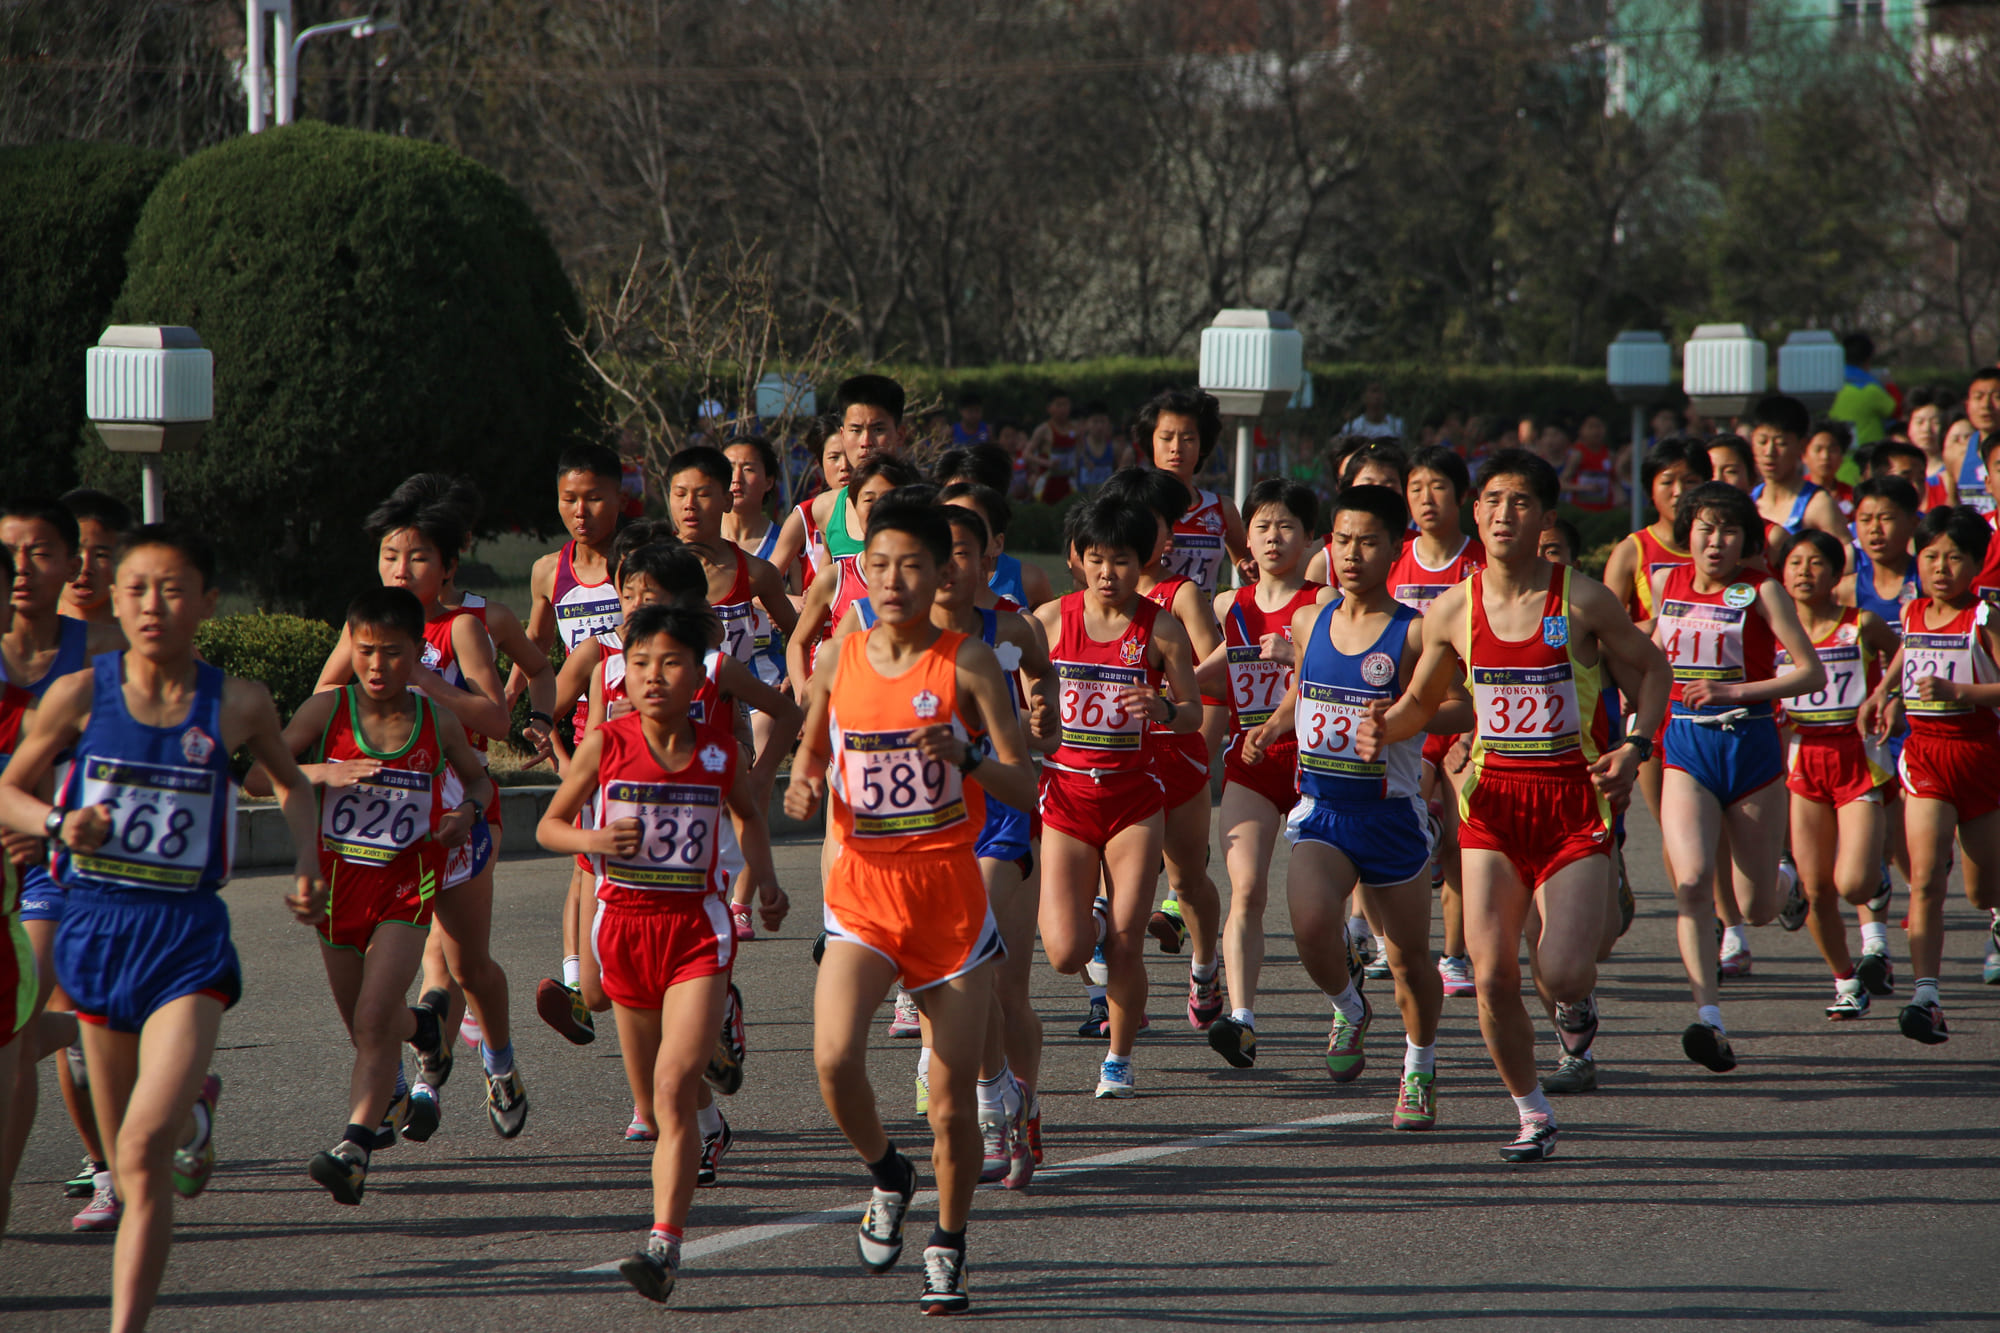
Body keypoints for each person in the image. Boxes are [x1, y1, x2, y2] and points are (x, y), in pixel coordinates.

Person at [0, 524, 323, 1331]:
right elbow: (9, 788)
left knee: (142, 1153)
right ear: (114, 599)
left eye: (172, 589)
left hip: (185, 938)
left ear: (207, 602)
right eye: (137, 588)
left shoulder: (238, 701)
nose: (152, 604)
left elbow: (289, 782)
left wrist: (308, 862)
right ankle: (193, 1113)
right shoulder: (78, 695)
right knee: (129, 1163)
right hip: (94, 931)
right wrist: (57, 822)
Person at [1356, 450, 1669, 1161]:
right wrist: (1384, 726)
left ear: (1545, 518)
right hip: (1491, 806)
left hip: (1572, 803)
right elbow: (1422, 703)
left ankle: (1580, 983)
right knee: (1493, 974)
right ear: (1477, 512)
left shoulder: (1582, 600)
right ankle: (1533, 1112)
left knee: (1561, 971)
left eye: (1520, 502)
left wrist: (1636, 745)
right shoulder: (1453, 608)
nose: (1504, 514)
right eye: (1493, 500)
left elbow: (1653, 669)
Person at [784, 495, 1039, 1314]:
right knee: (834, 1059)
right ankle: (888, 1172)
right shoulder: (838, 656)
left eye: (912, 565)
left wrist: (968, 756)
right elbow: (813, 749)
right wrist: (802, 782)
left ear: (942, 573)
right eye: (880, 565)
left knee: (950, 1102)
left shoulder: (970, 663)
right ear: (864, 570)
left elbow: (1025, 785)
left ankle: (948, 1243)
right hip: (863, 893)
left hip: (948, 902)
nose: (894, 580)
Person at [537, 601, 785, 1301]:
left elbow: (748, 815)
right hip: (623, 930)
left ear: (698, 674)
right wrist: (593, 840)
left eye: (670, 663)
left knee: (673, 1091)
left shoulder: (719, 752)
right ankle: (710, 1095)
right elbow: (552, 825)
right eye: (640, 663)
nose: (652, 676)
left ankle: (663, 1246)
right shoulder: (605, 744)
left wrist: (765, 881)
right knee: (650, 1102)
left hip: (696, 933)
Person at [1240, 483, 1468, 1126]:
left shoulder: (1414, 633)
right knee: (1312, 927)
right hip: (1323, 809)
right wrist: (1274, 726)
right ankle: (1349, 1005)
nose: (1351, 554)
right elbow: (1304, 686)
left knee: (1409, 961)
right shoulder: (1309, 619)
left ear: (1394, 549)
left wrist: (1402, 718)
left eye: (1367, 542)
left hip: (1391, 816)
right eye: (1342, 540)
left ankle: (1419, 1066)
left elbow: (1462, 705)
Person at [257, 586, 490, 1201]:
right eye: (365, 651)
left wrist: (466, 812)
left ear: (416, 654)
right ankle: (425, 1029)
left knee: (371, 1017)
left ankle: (354, 1147)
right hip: (338, 889)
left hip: (404, 888)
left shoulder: (436, 721)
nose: (377, 665)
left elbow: (480, 781)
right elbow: (258, 775)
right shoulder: (325, 711)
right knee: (368, 1028)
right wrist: (323, 772)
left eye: (391, 652)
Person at [315, 485, 527, 1138]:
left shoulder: (461, 627)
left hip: (458, 812)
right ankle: (403, 1083)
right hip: (383, 823)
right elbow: (324, 694)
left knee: (466, 965)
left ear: (448, 566)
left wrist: (429, 685)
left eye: (417, 558)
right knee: (382, 972)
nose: (400, 570)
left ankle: (499, 1061)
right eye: (389, 556)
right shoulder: (367, 629)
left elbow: (497, 719)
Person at [1030, 495, 1203, 1099]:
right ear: (1076, 558)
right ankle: (1097, 917)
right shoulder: (1048, 621)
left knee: (1127, 944)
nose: (1109, 573)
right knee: (1064, 951)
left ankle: (1119, 1058)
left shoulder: (1161, 628)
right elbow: (1023, 700)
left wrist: (1164, 709)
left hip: (1134, 802)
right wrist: (1035, 716)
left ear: (1145, 560)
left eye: (1122, 560)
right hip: (1066, 801)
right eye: (1097, 559)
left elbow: (1193, 713)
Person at [1650, 481, 1822, 1070]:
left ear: (1746, 538)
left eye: (1728, 530)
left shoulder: (1763, 590)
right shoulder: (1665, 583)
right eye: (1705, 528)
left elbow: (1810, 673)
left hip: (1750, 746)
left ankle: (1787, 883)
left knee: (1756, 909)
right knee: (1693, 882)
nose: (1715, 541)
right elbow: (1653, 653)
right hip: (1686, 746)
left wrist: (1734, 690)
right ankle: (1709, 1018)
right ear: (1688, 533)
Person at [3, 497, 127, 1225]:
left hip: (56, 867)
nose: (21, 568)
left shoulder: (104, 652)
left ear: (69, 564)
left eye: (39, 552)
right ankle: (112, 1028)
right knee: (20, 1034)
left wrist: (50, 826)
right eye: (9, 553)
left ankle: (74, 1176)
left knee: (18, 1024)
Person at [1194, 480, 1330, 1067]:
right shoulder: (1230, 606)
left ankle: (1345, 997)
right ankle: (1242, 1019)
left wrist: (1293, 656)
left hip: (1314, 764)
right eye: (1263, 527)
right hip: (1250, 764)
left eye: (1287, 527)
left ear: (1309, 538)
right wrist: (1167, 686)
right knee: (1246, 889)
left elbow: (1335, 670)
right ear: (1244, 539)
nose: (1274, 538)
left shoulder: (1323, 602)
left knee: (1315, 912)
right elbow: (1213, 668)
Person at [1091, 468, 1225, 1029]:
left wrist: (1173, 694)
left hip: (1173, 750)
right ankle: (1120, 1005)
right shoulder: (1092, 597)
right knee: (1118, 890)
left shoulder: (1181, 594)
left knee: (1186, 879)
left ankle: (1205, 965)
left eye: (1151, 524)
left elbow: (1218, 667)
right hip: (1114, 759)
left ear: (1168, 534)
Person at [1860, 506, 2000, 1039]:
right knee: (1924, 879)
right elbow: (1905, 656)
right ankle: (1927, 997)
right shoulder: (1913, 610)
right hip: (1925, 758)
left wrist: (1960, 691)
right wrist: (1883, 694)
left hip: (1980, 757)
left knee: (1983, 891)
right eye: (1930, 556)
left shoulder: (1985, 617)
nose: (1941, 568)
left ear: (1977, 564)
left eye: (1954, 557)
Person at [663, 445, 800, 938]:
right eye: (680, 493)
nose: (690, 505)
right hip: (668, 717)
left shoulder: (755, 573)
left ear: (726, 499)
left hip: (732, 712)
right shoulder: (650, 569)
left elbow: (797, 634)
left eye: (703, 494)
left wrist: (794, 676)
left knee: (742, 800)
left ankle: (737, 904)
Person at [1775, 531, 1900, 1019]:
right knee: (1815, 890)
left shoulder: (1860, 623)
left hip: (1857, 761)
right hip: (1804, 762)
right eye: (1795, 563)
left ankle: (1874, 878)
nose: (1804, 572)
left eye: (1816, 563)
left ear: (1835, 574)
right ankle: (1847, 981)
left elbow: (1905, 653)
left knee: (1852, 885)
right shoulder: (1773, 631)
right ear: (1782, 574)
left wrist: (1887, 696)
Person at [768, 375, 909, 590]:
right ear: (843, 434)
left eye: (878, 430)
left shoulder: (924, 503)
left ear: (900, 434)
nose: (866, 442)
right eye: (856, 430)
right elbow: (821, 596)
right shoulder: (826, 508)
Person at [936, 479, 1055, 611]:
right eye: (945, 523)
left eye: (970, 524)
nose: (955, 532)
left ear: (997, 543)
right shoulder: (924, 586)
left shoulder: (1028, 580)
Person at [1750, 394, 1846, 544]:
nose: (1769, 452)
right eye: (1762, 441)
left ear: (1802, 445)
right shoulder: (1749, 502)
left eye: (1781, 443)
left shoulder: (1819, 505)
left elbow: (1848, 554)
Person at [58, 489, 133, 627]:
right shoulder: (27, 629)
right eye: (75, 552)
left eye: (100, 555)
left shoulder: (138, 635)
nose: (85, 568)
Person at [1829, 331, 1903, 451]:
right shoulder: (1871, 389)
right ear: (1868, 359)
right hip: (1867, 456)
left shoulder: (1830, 385)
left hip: (1837, 456)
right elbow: (1897, 410)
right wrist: (1889, 384)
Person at [1943, 367, 1999, 520]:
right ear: (1967, 403)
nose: (1986, 405)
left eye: (1997, 397)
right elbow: (1952, 502)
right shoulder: (1956, 454)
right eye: (1978, 397)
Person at [1028, 388, 1079, 504]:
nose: (1063, 409)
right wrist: (1047, 463)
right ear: (1049, 408)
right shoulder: (1043, 429)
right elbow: (1027, 454)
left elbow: (1079, 452)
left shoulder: (1075, 428)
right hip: (1048, 485)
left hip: (1068, 483)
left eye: (1066, 404)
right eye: (1059, 405)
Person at [1561, 413, 1619, 512]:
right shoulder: (1577, 454)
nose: (1596, 431)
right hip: (1581, 511)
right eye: (1591, 427)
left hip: (1605, 510)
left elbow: (1615, 482)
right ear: (1581, 430)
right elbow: (1561, 484)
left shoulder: (1610, 455)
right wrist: (1584, 488)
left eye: (1599, 426)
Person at [1804, 421, 1857, 520]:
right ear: (1804, 455)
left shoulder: (1852, 496)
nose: (1825, 456)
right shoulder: (1795, 493)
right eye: (1818, 449)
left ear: (1842, 456)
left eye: (1832, 450)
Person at [1074, 402, 1120, 490]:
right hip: (1083, 496)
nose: (1100, 426)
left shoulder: (1115, 448)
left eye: (1103, 421)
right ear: (1086, 424)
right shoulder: (1079, 447)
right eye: (1095, 422)